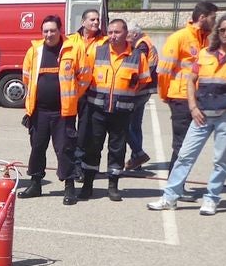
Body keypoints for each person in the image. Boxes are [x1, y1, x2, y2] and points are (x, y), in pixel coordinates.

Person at [147, 14, 226, 215]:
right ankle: (170, 197)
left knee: (220, 160)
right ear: (217, 31)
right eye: (223, 29)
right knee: (184, 156)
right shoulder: (205, 53)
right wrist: (193, 107)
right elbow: (191, 80)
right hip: (201, 114)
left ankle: (212, 199)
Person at [77, 18, 152, 201]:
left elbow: (144, 81)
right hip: (97, 110)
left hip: (122, 112)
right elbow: (85, 76)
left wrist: (128, 92)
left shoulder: (137, 56)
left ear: (126, 33)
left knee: (117, 150)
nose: (112, 36)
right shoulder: (98, 52)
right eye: (110, 32)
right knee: (92, 148)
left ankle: (113, 185)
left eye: (116, 32)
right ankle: (87, 185)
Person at [19, 15, 88, 204]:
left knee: (65, 150)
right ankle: (35, 184)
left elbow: (84, 77)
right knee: (37, 148)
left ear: (60, 31)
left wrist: (72, 95)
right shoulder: (35, 50)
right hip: (38, 111)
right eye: (46, 31)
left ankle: (69, 187)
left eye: (53, 30)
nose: (49, 34)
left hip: (63, 113)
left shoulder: (74, 48)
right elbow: (26, 76)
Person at [158, 1, 218, 173]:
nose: (215, 23)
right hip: (180, 98)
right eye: (213, 18)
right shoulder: (179, 38)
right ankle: (174, 184)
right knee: (181, 144)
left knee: (190, 145)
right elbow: (163, 71)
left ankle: (177, 183)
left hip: (198, 99)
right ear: (202, 17)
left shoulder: (206, 40)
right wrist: (165, 95)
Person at [124, 22, 158, 170]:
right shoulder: (146, 41)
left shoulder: (142, 46)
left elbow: (136, 69)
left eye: (128, 35)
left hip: (140, 90)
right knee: (136, 125)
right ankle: (136, 159)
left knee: (123, 124)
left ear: (135, 34)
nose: (126, 38)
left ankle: (138, 153)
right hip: (145, 90)